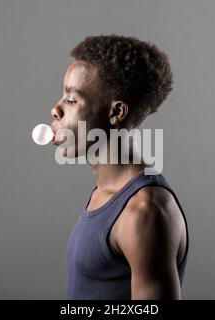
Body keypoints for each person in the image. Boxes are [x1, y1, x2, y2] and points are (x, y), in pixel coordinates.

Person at [49, 35, 189, 300]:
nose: (55, 110)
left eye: (72, 99)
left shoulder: (144, 211)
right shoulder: (104, 194)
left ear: (116, 112)